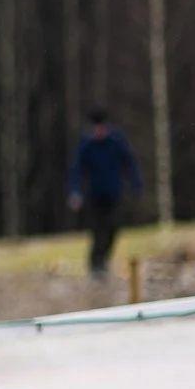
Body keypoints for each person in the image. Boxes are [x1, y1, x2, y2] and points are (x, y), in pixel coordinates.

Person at [68, 108, 143, 278]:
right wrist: (75, 192)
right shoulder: (86, 146)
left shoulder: (116, 142)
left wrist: (136, 184)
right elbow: (77, 171)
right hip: (95, 195)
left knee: (113, 229)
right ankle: (95, 265)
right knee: (97, 230)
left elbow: (130, 163)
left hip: (114, 193)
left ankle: (103, 260)